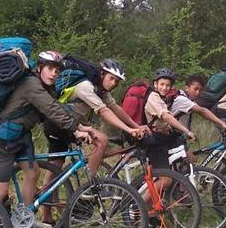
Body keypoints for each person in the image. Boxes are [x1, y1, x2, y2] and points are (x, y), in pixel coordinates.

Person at [0, 50, 94, 228]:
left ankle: (26, 217)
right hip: (4, 137)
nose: (54, 73)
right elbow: (51, 109)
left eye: (57, 70)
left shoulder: (45, 87)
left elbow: (57, 108)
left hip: (21, 136)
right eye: (50, 69)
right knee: (1, 188)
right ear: (39, 68)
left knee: (33, 173)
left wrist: (79, 126)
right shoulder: (31, 84)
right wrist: (75, 130)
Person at [42, 58, 147, 188]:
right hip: (58, 125)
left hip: (73, 124)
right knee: (101, 140)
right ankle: (90, 187)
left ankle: (84, 188)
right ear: (102, 74)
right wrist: (129, 130)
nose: (114, 83)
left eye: (117, 81)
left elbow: (115, 108)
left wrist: (136, 126)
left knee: (53, 175)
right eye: (111, 78)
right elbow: (103, 111)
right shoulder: (86, 86)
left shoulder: (101, 89)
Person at [141, 68, 194, 203]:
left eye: (168, 85)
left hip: (163, 139)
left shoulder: (161, 97)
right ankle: (137, 206)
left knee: (185, 156)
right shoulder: (153, 98)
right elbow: (165, 116)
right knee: (165, 180)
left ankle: (172, 195)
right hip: (155, 142)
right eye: (162, 84)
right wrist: (186, 131)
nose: (165, 88)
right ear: (155, 84)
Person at [170, 74, 226, 162]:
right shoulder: (182, 100)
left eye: (200, 90)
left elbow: (203, 114)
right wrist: (222, 123)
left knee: (189, 163)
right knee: (190, 161)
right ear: (187, 88)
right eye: (195, 89)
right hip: (172, 137)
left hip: (177, 136)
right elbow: (202, 111)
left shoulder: (187, 99)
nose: (198, 93)